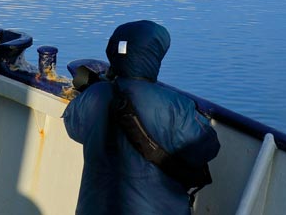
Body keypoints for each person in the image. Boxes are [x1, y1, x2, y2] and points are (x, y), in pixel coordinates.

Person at [62, 19, 220, 215]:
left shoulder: (92, 96)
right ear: (152, 57)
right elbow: (207, 148)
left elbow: (74, 128)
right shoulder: (175, 106)